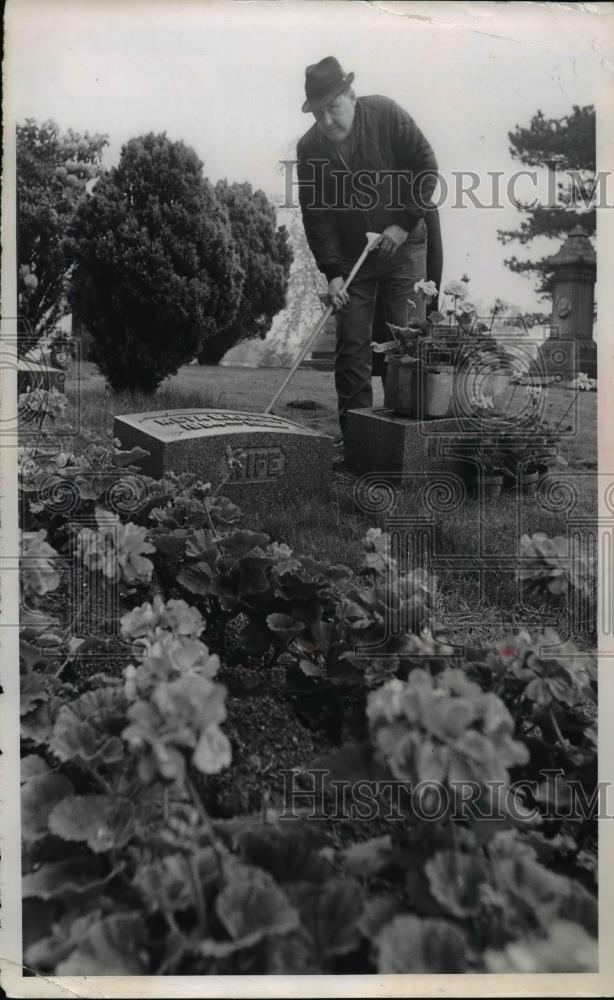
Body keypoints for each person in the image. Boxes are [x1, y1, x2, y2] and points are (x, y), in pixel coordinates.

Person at [296, 56, 441, 442]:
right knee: (351, 350)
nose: (327, 121)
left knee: (407, 344)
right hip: (351, 257)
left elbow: (427, 166)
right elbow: (318, 215)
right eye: (319, 113)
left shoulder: (386, 113)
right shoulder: (310, 149)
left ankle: (408, 443)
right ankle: (359, 441)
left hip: (404, 245)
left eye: (334, 108)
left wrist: (404, 221)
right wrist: (333, 272)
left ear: (352, 96)